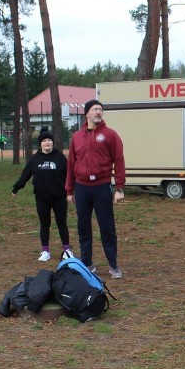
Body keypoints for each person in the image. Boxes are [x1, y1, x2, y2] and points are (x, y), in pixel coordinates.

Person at [66, 99, 125, 278]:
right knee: (83, 226)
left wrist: (120, 188)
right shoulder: (76, 137)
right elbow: (71, 164)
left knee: (107, 227)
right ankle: (87, 263)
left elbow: (119, 161)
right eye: (94, 109)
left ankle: (113, 265)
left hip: (101, 186)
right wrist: (69, 190)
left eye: (100, 109)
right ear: (87, 114)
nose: (98, 112)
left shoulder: (110, 135)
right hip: (82, 187)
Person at [12, 128, 72, 262]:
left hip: (59, 197)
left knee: (61, 222)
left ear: (52, 143)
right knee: (44, 224)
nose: (47, 143)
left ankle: (67, 250)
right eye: (44, 141)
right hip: (42, 198)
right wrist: (17, 187)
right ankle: (45, 251)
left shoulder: (60, 157)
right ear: (40, 144)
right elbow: (25, 174)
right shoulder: (35, 159)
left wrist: (72, 190)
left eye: (49, 140)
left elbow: (70, 175)